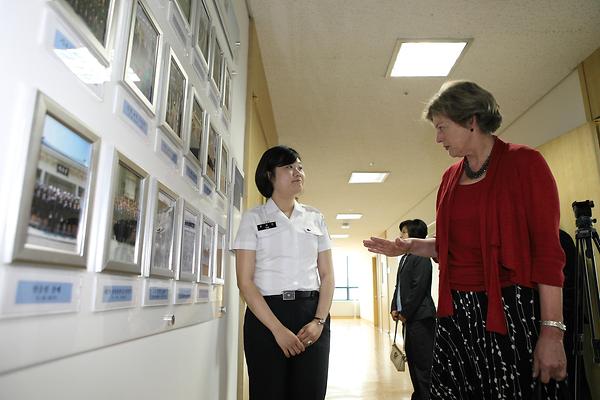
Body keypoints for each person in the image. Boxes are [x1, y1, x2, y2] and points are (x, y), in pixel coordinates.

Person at [364, 81, 567, 399]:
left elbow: (548, 254)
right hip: (457, 313)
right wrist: (409, 246)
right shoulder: (449, 178)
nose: (438, 138)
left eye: (442, 127)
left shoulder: (525, 164)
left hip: (510, 308)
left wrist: (552, 331)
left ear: (471, 121)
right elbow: (449, 246)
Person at [233, 145, 335, 400]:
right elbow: (245, 282)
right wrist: (277, 330)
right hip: (266, 317)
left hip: (311, 317)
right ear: (270, 176)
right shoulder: (253, 218)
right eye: (288, 167)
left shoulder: (315, 217)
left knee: (309, 393)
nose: (297, 172)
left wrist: (319, 321)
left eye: (299, 167)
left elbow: (328, 276)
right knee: (269, 392)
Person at [391, 219, 436, 400]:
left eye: (404, 232)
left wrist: (405, 312)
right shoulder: (405, 258)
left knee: (423, 363)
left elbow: (418, 288)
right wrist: (395, 307)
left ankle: (426, 395)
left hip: (421, 319)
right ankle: (419, 395)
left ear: (414, 235)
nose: (401, 236)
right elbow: (399, 286)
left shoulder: (422, 257)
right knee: (412, 359)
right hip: (409, 319)